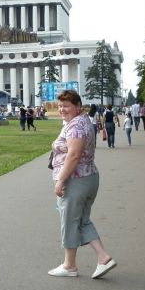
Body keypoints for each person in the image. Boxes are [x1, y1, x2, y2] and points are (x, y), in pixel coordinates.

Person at [47, 89, 116, 279]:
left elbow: (74, 154)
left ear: (78, 106)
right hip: (89, 177)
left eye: (66, 106)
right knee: (82, 221)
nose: (62, 109)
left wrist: (60, 180)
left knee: (69, 221)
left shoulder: (75, 127)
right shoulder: (82, 120)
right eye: (60, 106)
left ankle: (69, 266)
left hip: (76, 180)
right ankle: (103, 257)